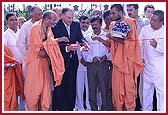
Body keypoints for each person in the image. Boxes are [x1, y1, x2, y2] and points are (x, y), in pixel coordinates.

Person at [24, 10, 65, 111]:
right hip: (35, 64)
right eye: (53, 20)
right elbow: (40, 51)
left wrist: (56, 42)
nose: (54, 23)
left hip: (44, 64)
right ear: (46, 19)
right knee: (33, 93)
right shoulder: (35, 28)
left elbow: (49, 45)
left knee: (46, 93)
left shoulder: (49, 28)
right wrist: (55, 45)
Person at [107, 4, 144, 111]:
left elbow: (131, 43)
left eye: (113, 13)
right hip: (117, 63)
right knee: (117, 90)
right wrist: (101, 40)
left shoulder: (130, 22)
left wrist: (113, 38)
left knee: (129, 89)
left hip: (128, 62)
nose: (111, 15)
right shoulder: (112, 24)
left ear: (120, 12)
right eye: (110, 13)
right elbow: (111, 44)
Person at [52, 8, 88, 111]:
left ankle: (70, 108)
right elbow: (53, 45)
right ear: (62, 15)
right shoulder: (55, 27)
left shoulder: (76, 25)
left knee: (71, 86)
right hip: (60, 63)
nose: (71, 20)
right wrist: (67, 48)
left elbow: (80, 37)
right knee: (60, 87)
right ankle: (60, 109)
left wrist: (84, 43)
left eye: (72, 17)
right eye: (68, 17)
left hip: (73, 61)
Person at [139, 10, 164, 111]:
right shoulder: (145, 29)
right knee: (146, 93)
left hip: (160, 69)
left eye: (154, 20)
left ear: (161, 22)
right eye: (151, 19)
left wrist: (157, 46)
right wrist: (140, 57)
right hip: (146, 67)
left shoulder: (164, 31)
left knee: (161, 94)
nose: (151, 22)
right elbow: (139, 44)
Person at [83, 15, 110, 111]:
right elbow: (84, 52)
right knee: (92, 90)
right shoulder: (87, 37)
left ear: (101, 24)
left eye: (96, 24)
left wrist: (106, 56)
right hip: (91, 65)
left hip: (103, 65)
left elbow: (111, 49)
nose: (94, 26)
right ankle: (93, 110)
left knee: (104, 89)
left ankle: (105, 110)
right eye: (92, 24)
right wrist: (91, 58)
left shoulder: (107, 36)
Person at [75, 15, 91, 111]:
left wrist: (88, 59)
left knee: (89, 88)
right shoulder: (76, 32)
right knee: (79, 87)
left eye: (87, 23)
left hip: (89, 64)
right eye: (83, 23)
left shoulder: (91, 33)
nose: (85, 25)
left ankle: (89, 107)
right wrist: (80, 58)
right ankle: (79, 107)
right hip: (79, 64)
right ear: (80, 22)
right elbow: (76, 47)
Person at [4, 45, 24, 111]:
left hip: (10, 75)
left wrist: (12, 64)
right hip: (5, 77)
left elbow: (10, 58)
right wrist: (8, 65)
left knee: (13, 99)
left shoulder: (5, 47)